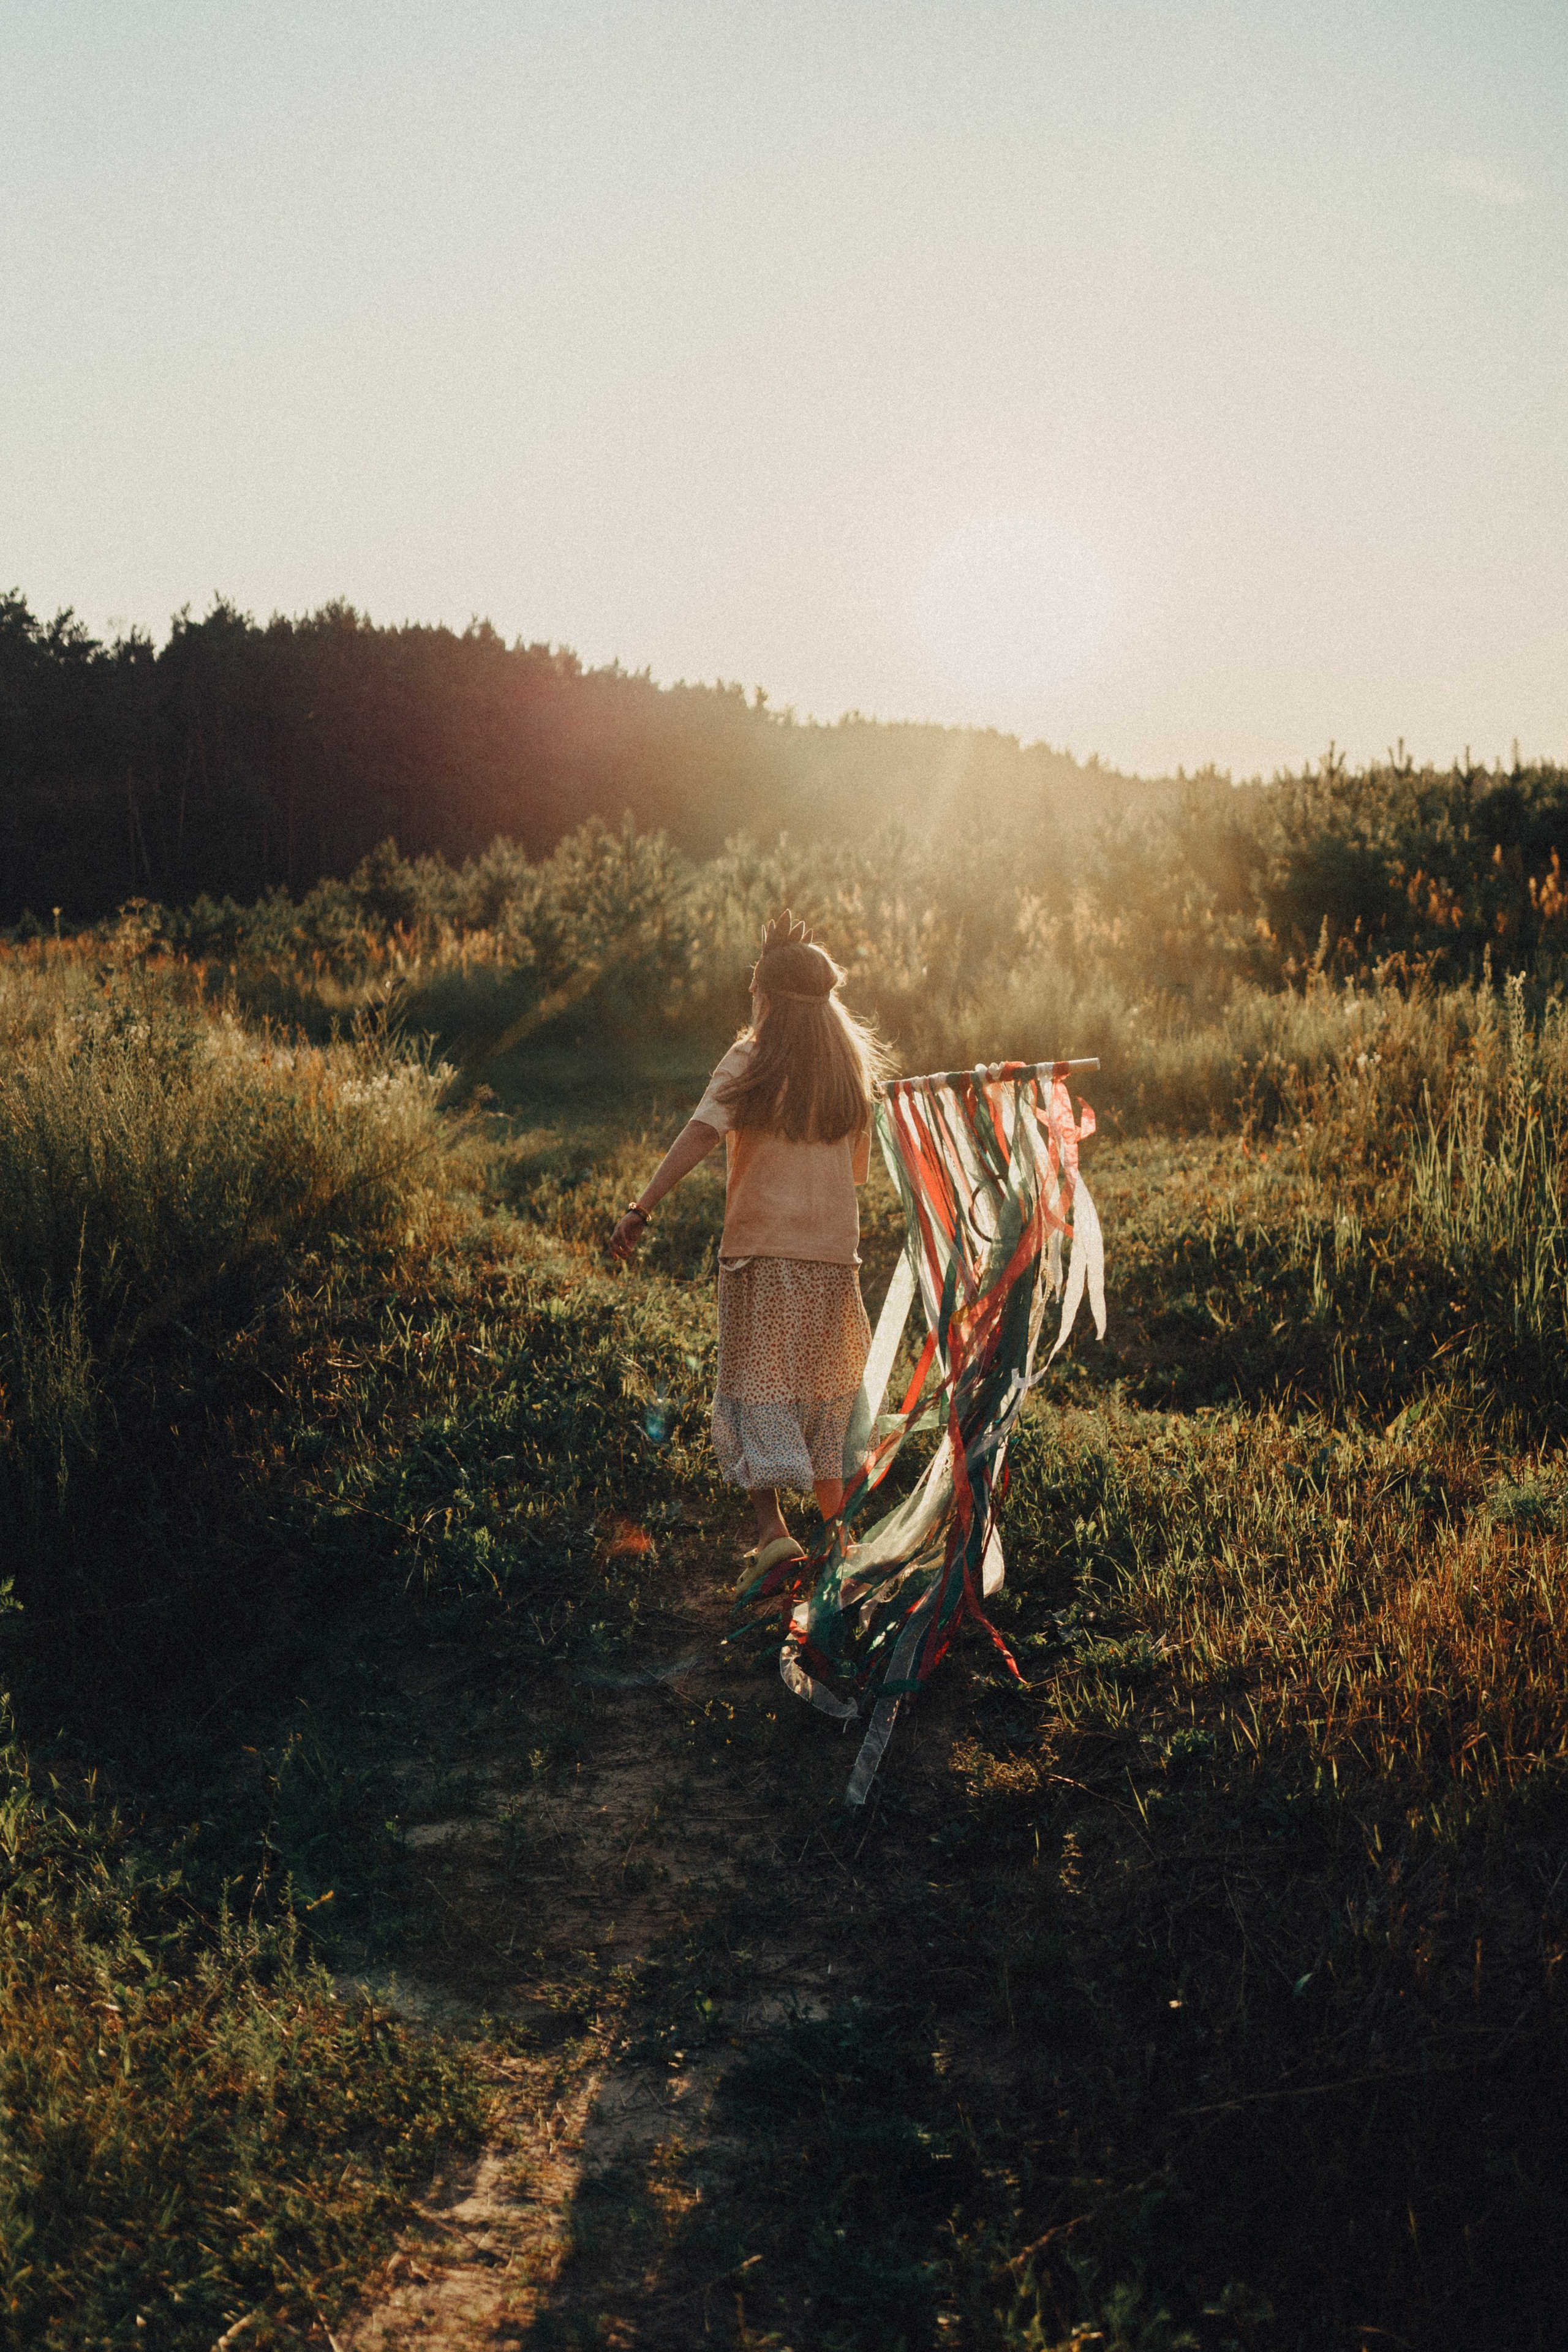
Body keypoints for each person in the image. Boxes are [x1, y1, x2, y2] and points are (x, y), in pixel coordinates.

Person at [609, 912, 892, 1578]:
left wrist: (640, 1207)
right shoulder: (851, 1070)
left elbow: (701, 1132)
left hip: (761, 1254)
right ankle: (838, 1540)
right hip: (832, 1258)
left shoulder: (750, 1060)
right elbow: (856, 1170)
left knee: (754, 1385)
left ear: (763, 999)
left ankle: (772, 1531)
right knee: (828, 1395)